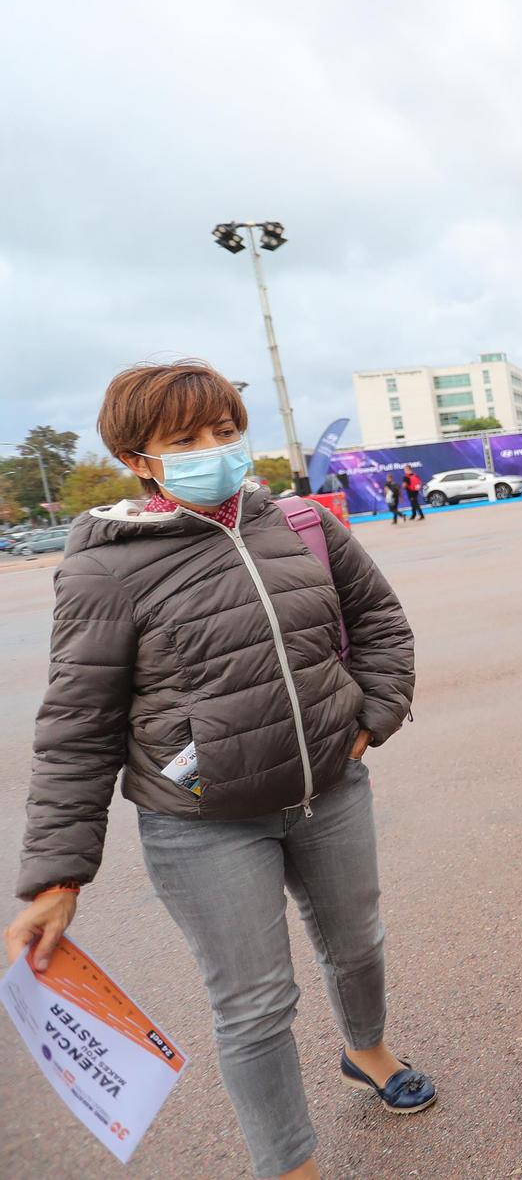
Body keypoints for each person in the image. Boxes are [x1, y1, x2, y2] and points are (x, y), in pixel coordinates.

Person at [6, 361, 433, 1180]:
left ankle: (368, 1050)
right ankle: (291, 1165)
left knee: (359, 944)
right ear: (139, 458)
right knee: (254, 1004)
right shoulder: (106, 566)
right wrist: (58, 874)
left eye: (226, 429)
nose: (216, 449)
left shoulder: (298, 519)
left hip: (329, 791)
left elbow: (380, 619)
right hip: (201, 821)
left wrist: (369, 718)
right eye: (187, 438)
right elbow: (77, 721)